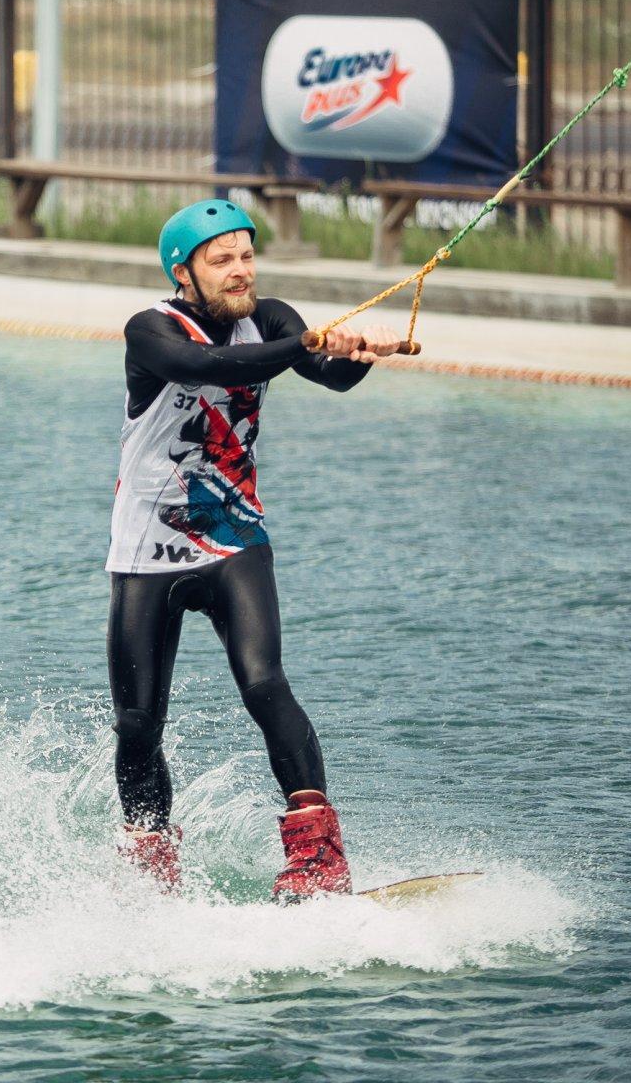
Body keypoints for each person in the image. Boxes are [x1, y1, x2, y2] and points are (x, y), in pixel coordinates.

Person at [107, 199, 406, 902]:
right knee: (137, 722)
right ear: (183, 271)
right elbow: (211, 366)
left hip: (234, 535)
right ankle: (149, 860)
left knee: (265, 682)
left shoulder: (269, 317)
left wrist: (358, 355)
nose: (240, 269)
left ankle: (317, 859)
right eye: (221, 259)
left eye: (246, 253)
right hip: (146, 548)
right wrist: (305, 346)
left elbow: (325, 377)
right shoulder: (150, 329)